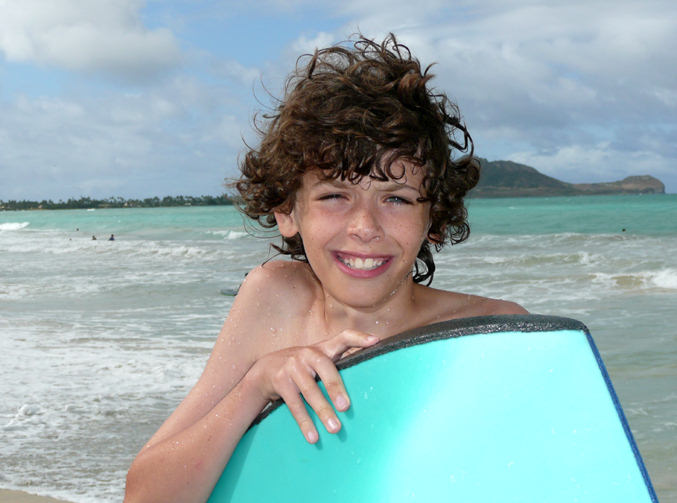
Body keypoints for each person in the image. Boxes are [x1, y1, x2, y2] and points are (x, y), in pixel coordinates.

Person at [124, 33, 527, 503]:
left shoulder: (493, 333)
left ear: (433, 219)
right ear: (288, 211)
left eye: (395, 199)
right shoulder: (275, 296)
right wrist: (256, 384)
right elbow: (147, 495)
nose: (364, 227)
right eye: (335, 195)